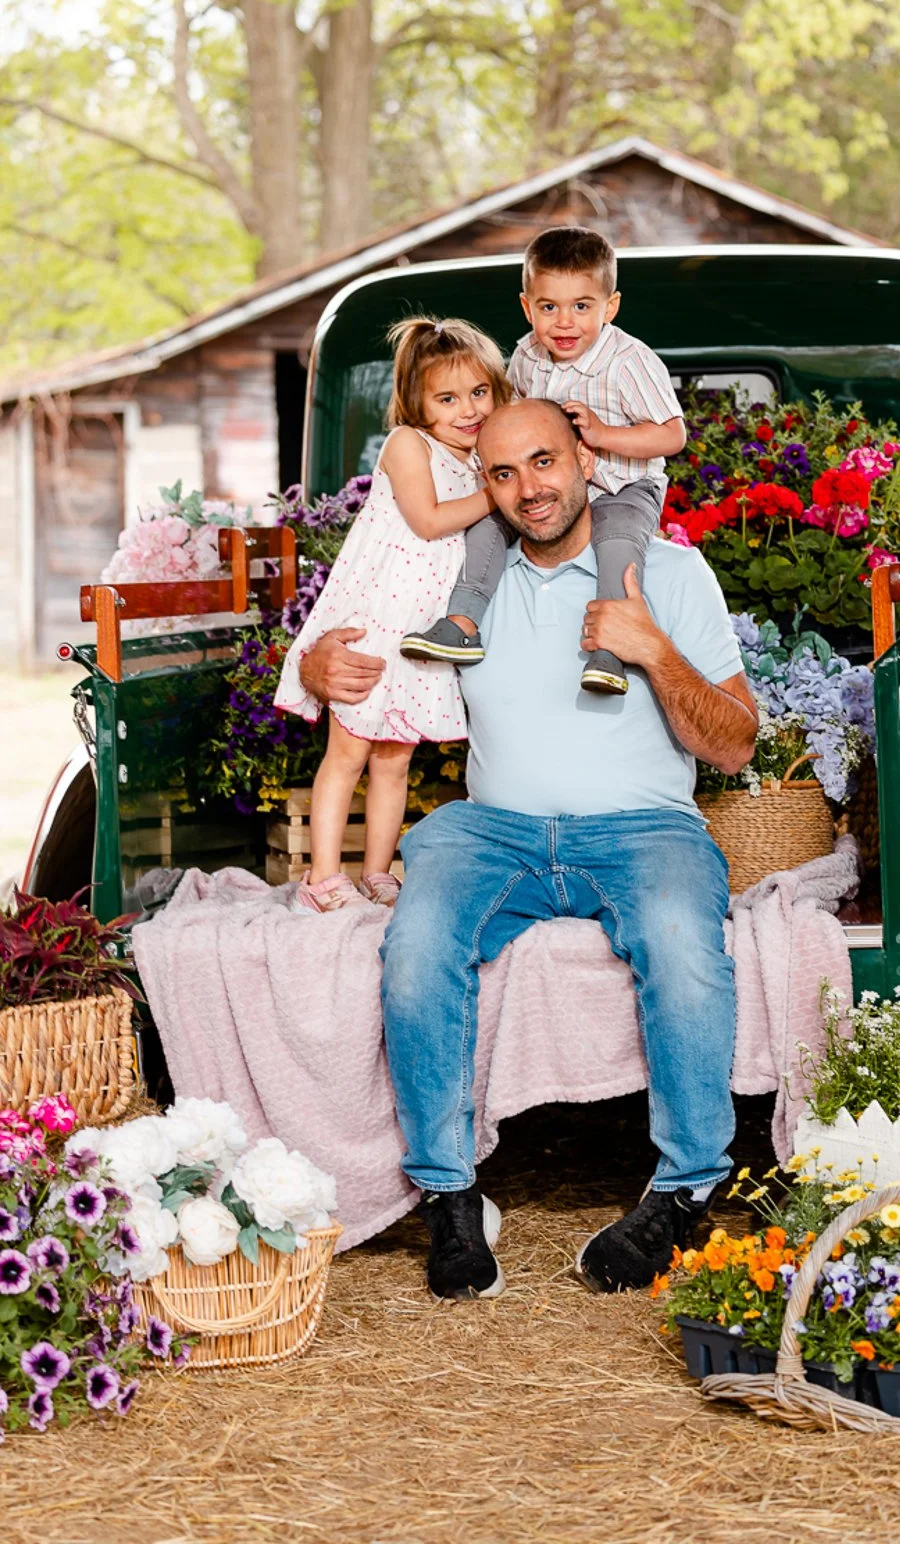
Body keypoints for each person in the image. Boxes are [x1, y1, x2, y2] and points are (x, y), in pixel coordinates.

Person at [300, 398, 757, 1299]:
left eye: (543, 463)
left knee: (680, 941)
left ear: (585, 460)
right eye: (502, 474)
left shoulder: (667, 571)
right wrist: (317, 668)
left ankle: (686, 1186)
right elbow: (355, 632)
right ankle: (449, 1194)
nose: (527, 490)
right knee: (417, 947)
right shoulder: (459, 579)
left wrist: (654, 651)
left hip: (643, 827)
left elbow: (736, 743)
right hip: (492, 828)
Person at [274, 317, 511, 912]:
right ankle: (324, 876)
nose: (467, 409)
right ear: (416, 402)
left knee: (394, 758)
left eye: (479, 393)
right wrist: (500, 491)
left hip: (418, 634)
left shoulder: (476, 459)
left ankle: (378, 872)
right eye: (448, 398)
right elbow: (429, 519)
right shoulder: (410, 445)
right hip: (376, 626)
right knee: (348, 752)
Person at [400, 226, 687, 696]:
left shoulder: (629, 361)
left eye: (582, 306)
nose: (564, 323)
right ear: (527, 306)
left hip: (623, 485)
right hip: (553, 490)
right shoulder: (527, 356)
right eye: (549, 307)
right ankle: (462, 623)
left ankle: (610, 650)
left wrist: (602, 434)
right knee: (488, 522)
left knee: (615, 543)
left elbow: (672, 435)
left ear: (609, 307)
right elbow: (511, 417)